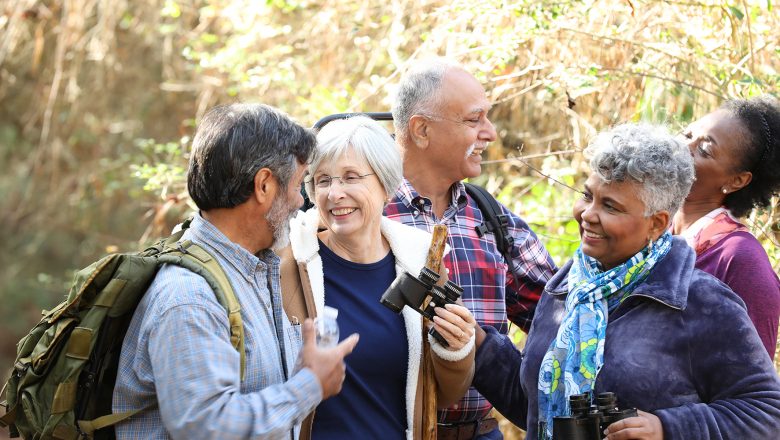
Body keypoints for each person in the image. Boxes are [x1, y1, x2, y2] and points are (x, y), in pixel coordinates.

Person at [472, 123, 780, 440]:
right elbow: (535, 408)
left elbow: (766, 413)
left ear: (656, 223)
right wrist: (479, 348)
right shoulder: (567, 289)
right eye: (587, 196)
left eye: (610, 206)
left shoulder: (701, 301)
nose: (587, 214)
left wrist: (667, 429)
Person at [112, 103, 359, 439]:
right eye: (299, 185)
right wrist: (311, 385)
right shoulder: (189, 297)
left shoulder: (251, 271)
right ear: (264, 186)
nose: (301, 201)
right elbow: (208, 427)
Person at [384, 59, 557, 438]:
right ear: (422, 129)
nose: (491, 133)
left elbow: (558, 317)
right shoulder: (367, 214)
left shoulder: (494, 220)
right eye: (474, 119)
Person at [279, 115, 476, 440]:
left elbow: (441, 396)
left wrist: (455, 351)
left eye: (350, 177)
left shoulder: (421, 260)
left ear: (386, 185)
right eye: (323, 180)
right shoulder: (289, 260)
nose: (334, 193)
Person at [673, 95, 780, 359]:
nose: (683, 147)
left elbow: (753, 392)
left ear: (736, 181)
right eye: (686, 134)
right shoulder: (644, 227)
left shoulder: (741, 260)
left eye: (704, 149)